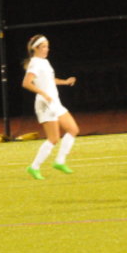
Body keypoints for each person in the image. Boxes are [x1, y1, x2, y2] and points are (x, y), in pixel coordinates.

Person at [22, 34, 80, 180]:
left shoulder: (45, 62)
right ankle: (34, 167)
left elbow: (49, 80)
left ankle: (59, 161)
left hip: (55, 102)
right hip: (44, 104)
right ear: (36, 48)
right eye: (44, 47)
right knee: (53, 139)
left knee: (73, 129)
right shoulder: (35, 63)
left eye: (47, 46)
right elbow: (26, 83)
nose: (47, 49)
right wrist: (43, 94)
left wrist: (65, 82)